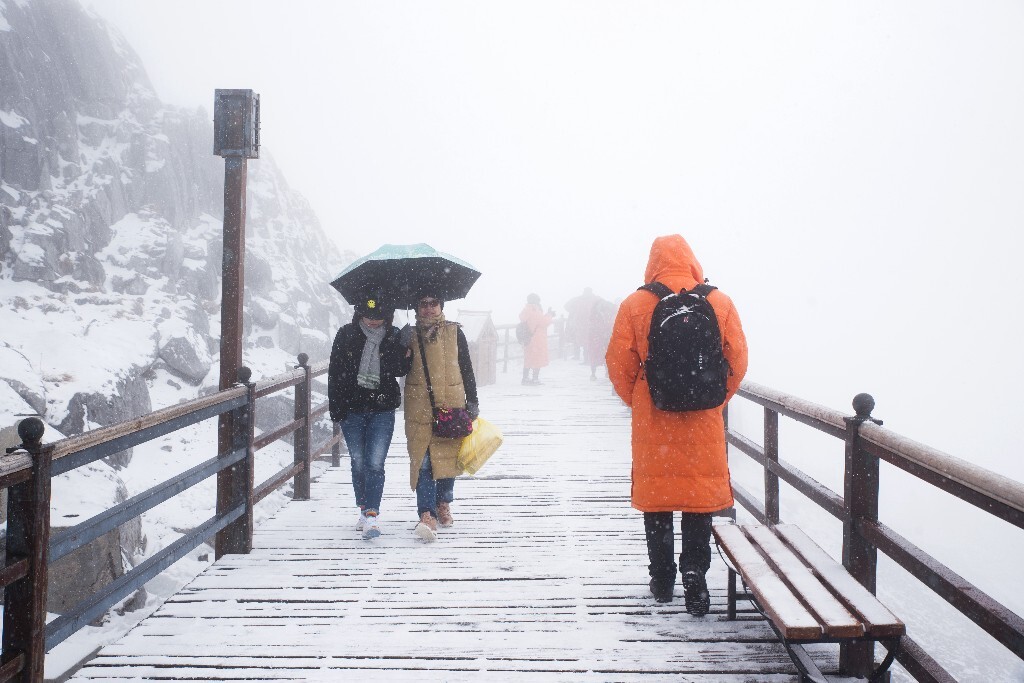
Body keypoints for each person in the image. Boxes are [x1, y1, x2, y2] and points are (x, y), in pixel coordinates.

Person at [605, 234, 748, 614]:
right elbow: (738, 361)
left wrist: (640, 398)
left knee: (659, 499)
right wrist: (714, 397)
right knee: (698, 499)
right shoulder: (719, 302)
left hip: (655, 419)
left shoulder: (635, 303)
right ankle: (695, 572)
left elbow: (619, 364)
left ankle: (663, 577)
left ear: (653, 262)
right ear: (692, 260)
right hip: (703, 420)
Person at [328, 294, 412, 540]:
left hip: (382, 409)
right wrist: (337, 408)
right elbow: (335, 371)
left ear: (386, 315)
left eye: (378, 316)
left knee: (374, 463)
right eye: (368, 315)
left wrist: (405, 350)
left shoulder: (395, 335)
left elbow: (399, 371)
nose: (373, 321)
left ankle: (372, 514)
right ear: (359, 313)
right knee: (358, 461)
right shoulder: (346, 334)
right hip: (352, 409)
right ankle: (363, 509)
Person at [402, 292, 479, 543]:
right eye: (422, 304)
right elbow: (397, 370)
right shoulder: (409, 335)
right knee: (423, 460)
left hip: (451, 402)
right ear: (416, 307)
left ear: (441, 306)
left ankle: (443, 502)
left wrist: (473, 400)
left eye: (433, 303)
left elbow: (466, 367)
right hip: (420, 406)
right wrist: (399, 350)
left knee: (448, 458)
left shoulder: (455, 332)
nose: (428, 309)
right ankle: (426, 513)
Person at [519, 293, 555, 385]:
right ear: (536, 301)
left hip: (528, 338)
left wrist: (546, 314)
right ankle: (535, 379)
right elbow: (543, 322)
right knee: (537, 359)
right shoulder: (534, 310)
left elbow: (536, 320)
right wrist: (550, 315)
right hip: (537, 339)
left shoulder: (527, 310)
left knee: (528, 358)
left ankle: (525, 378)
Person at [586, 297, 616, 380]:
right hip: (603, 337)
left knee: (600, 355)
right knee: (606, 354)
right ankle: (601, 372)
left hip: (599, 337)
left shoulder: (594, 315)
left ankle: (594, 373)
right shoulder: (607, 314)